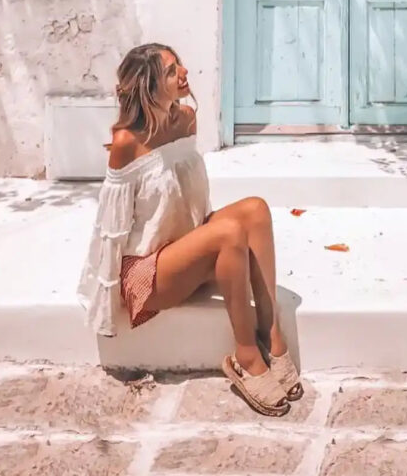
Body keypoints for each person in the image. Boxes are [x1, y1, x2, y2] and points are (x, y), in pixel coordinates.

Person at [77, 42, 301, 417]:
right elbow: (110, 228)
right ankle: (245, 356)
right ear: (149, 85)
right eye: (169, 70)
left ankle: (271, 332)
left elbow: (188, 197)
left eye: (179, 63)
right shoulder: (126, 144)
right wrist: (107, 298)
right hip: (148, 274)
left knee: (256, 211)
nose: (182, 72)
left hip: (189, 247)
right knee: (228, 233)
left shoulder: (187, 120)